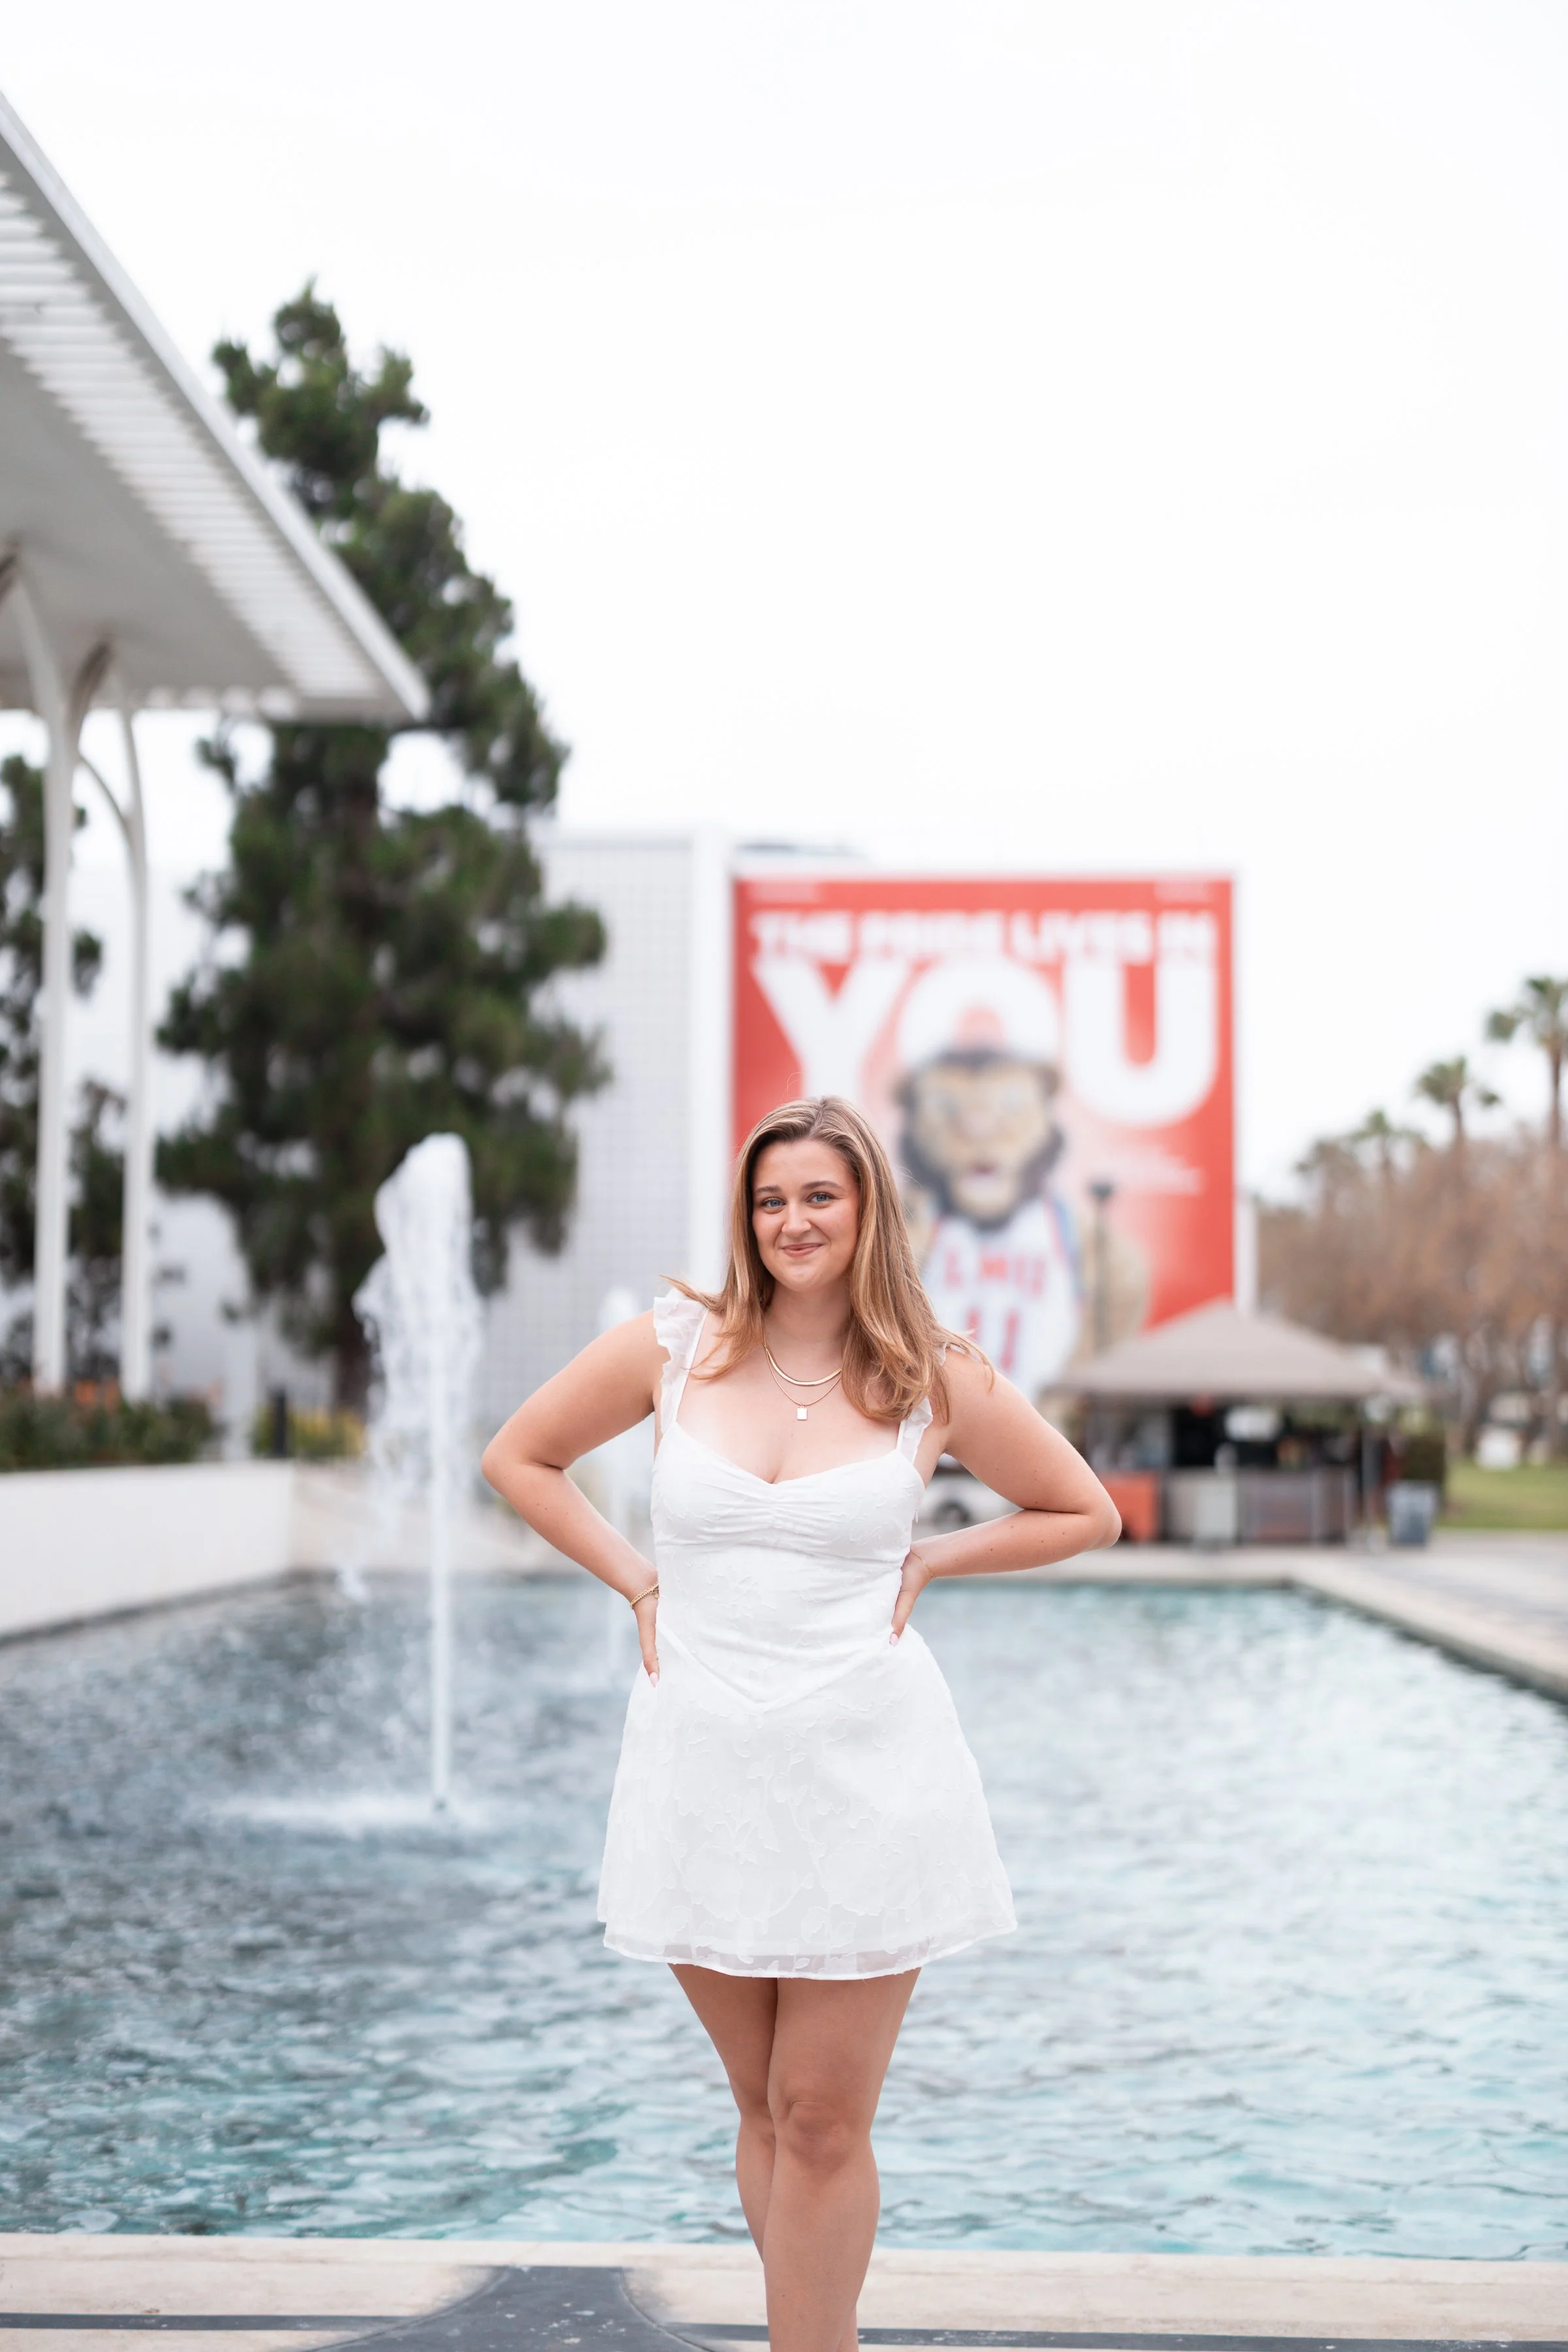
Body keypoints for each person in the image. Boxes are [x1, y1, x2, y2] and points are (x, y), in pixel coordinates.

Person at [480, 1096, 1120, 2352]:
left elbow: (1083, 1511)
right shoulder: (675, 1347)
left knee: (822, 2118)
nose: (793, 1221)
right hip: (700, 1769)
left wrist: (936, 1557)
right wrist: (638, 1582)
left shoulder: (931, 1371)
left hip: (869, 1773)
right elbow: (519, 1458)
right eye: (771, 1199)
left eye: (820, 1195)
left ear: (868, 1206)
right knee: (766, 2109)